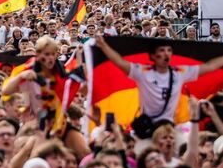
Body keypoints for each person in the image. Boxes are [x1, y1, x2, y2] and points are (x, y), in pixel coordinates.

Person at [94, 35, 223, 123]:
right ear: (153, 56)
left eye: (169, 50)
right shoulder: (142, 72)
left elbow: (210, 66)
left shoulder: (180, 72)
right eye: (162, 50)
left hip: (169, 126)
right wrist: (103, 46)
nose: (166, 53)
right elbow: (119, 62)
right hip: (147, 126)